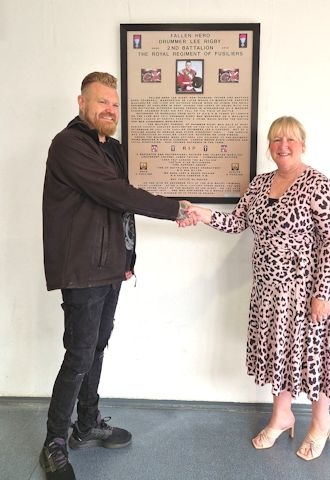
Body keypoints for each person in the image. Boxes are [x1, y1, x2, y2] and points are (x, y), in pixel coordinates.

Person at [40, 71, 192, 480]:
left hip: (109, 267)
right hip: (82, 267)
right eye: (101, 101)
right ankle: (54, 441)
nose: (109, 109)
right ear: (81, 102)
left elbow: (118, 208)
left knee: (98, 347)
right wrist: (176, 208)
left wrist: (129, 255)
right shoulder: (69, 145)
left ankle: (86, 425)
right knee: (79, 354)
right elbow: (117, 193)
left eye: (114, 104)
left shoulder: (114, 148)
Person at [181, 116, 330, 461]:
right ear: (269, 146)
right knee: (278, 355)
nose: (282, 146)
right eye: (275, 140)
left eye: (290, 140)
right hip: (268, 293)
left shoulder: (318, 184)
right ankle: (282, 416)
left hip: (305, 293)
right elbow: (237, 222)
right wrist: (201, 214)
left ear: (302, 143)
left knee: (312, 357)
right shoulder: (259, 184)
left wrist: (323, 293)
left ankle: (320, 421)